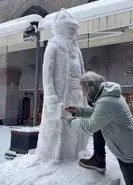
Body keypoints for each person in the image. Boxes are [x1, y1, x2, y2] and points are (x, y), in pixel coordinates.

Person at [63, 71, 133, 185]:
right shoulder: (107, 95)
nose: (84, 94)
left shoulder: (106, 101)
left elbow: (90, 127)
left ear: (91, 88)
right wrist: (78, 111)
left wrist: (70, 121)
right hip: (127, 144)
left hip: (126, 149)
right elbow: (98, 113)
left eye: (84, 90)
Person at [35, 9, 89, 161]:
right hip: (60, 96)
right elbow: (47, 74)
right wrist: (51, 96)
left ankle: (75, 153)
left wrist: (85, 92)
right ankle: (57, 156)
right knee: (59, 127)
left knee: (76, 125)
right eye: (69, 29)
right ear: (61, 29)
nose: (72, 33)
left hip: (77, 94)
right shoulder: (53, 47)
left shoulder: (77, 51)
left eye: (74, 30)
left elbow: (83, 73)